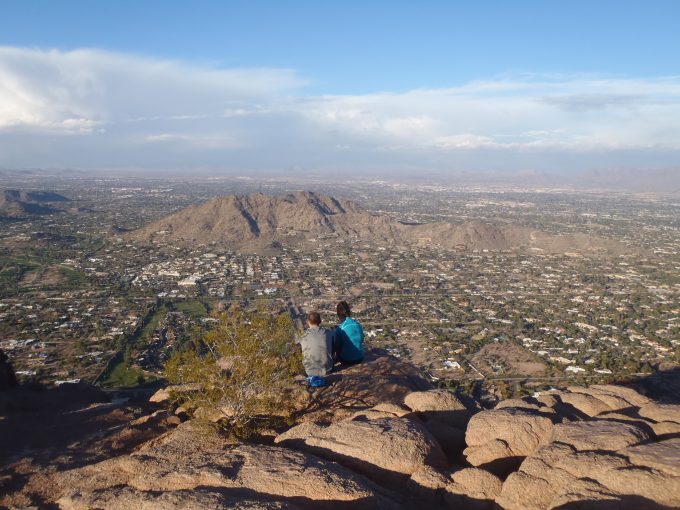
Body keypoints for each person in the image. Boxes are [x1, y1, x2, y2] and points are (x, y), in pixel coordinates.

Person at [297, 311, 334, 385]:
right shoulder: (328, 332)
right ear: (320, 321)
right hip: (327, 369)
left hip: (309, 371)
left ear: (308, 322)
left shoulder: (303, 335)